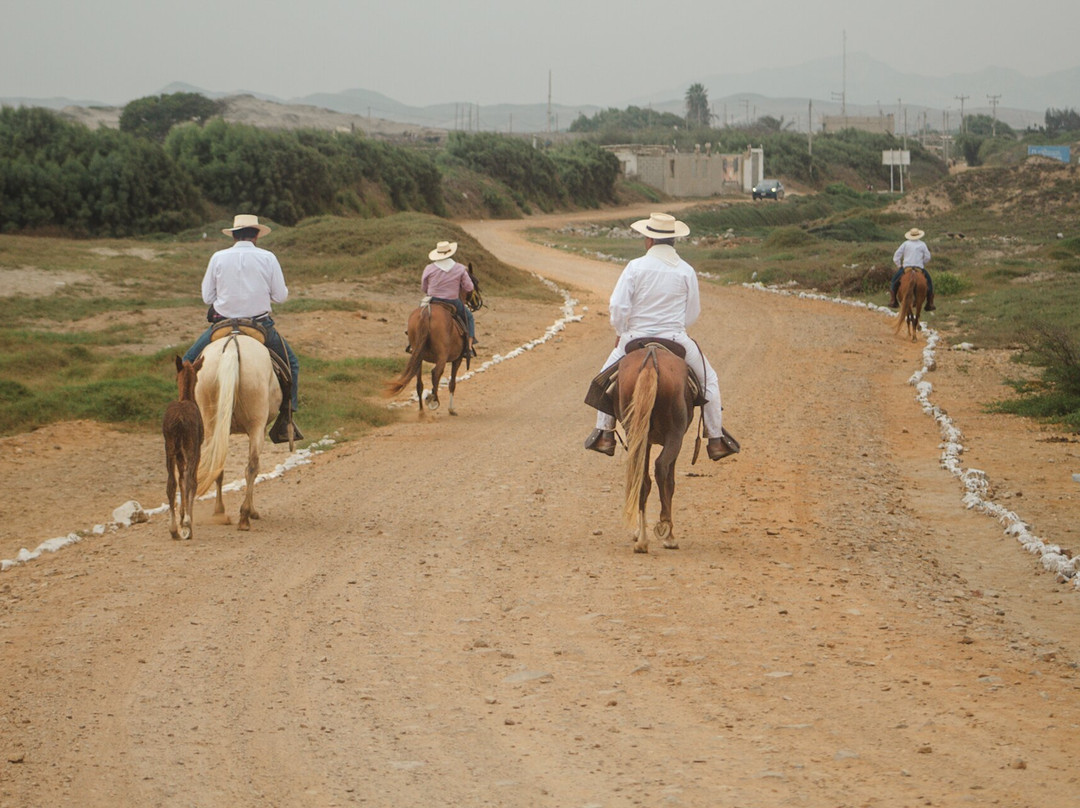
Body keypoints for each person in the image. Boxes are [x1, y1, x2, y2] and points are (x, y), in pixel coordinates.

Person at [584, 212, 734, 461]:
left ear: (649, 240)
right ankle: (715, 438)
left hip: (634, 337)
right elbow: (693, 312)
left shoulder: (634, 267)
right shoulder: (686, 270)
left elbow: (618, 306)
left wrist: (621, 332)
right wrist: (677, 327)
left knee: (603, 381)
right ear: (674, 240)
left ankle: (604, 433)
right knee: (710, 381)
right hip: (675, 337)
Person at [182, 213, 302, 443]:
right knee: (292, 365)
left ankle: (189, 417)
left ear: (234, 235)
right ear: (256, 235)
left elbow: (207, 296)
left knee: (187, 363)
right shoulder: (268, 257)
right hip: (259, 325)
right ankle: (286, 419)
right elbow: (280, 296)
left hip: (223, 325)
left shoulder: (218, 257)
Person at [421, 240, 477, 356]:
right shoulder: (459, 268)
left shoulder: (429, 268)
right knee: (469, 317)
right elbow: (469, 287)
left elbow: (424, 287)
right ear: (450, 252)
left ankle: (412, 343)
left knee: (420, 314)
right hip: (452, 301)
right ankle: (469, 347)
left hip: (432, 300)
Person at [890, 227, 935, 311]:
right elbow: (928, 257)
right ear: (919, 235)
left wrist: (899, 265)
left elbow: (896, 256)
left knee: (894, 281)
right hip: (919, 268)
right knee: (929, 282)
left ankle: (893, 300)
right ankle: (930, 303)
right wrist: (922, 263)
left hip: (907, 268)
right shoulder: (922, 244)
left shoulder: (905, 244)